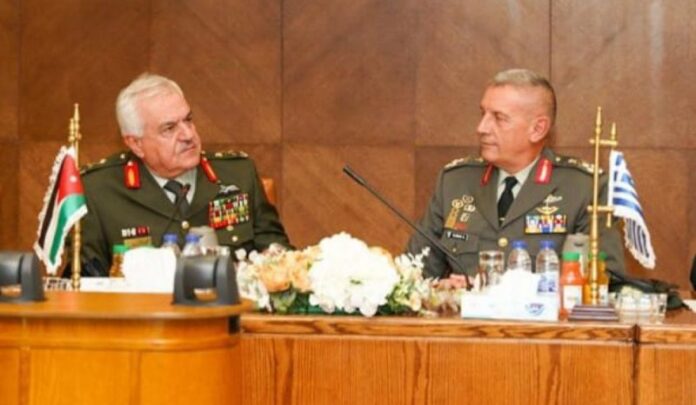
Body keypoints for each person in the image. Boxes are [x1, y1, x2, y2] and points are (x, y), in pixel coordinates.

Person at [407, 68, 624, 279]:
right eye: (483, 114)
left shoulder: (585, 188)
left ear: (537, 129)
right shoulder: (455, 182)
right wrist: (441, 289)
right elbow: (413, 272)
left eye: (499, 118)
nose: (482, 128)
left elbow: (605, 278)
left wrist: (491, 289)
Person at [77, 73, 291, 276]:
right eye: (169, 128)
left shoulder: (238, 174)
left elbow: (281, 255)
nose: (188, 135)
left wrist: (272, 261)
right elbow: (85, 282)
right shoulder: (98, 191)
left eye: (188, 120)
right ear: (136, 143)